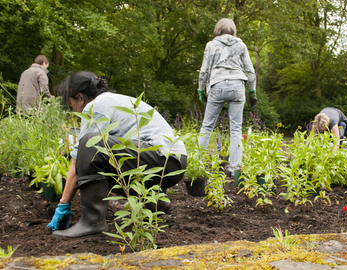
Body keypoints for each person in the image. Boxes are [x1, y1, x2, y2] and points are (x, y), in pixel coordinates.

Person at [47, 71, 187, 238]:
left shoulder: (95, 106)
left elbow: (78, 158)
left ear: (80, 97)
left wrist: (63, 204)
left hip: (162, 158)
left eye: (72, 104)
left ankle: (91, 222)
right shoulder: (115, 100)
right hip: (174, 162)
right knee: (105, 160)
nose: (74, 110)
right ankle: (155, 203)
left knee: (89, 143)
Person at [197, 18, 257, 174]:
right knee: (236, 130)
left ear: (217, 30)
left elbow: (204, 71)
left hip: (217, 85)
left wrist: (200, 90)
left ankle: (197, 165)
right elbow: (250, 71)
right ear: (233, 31)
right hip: (238, 86)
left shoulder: (211, 45)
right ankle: (235, 168)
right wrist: (252, 91)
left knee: (207, 126)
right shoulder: (241, 45)